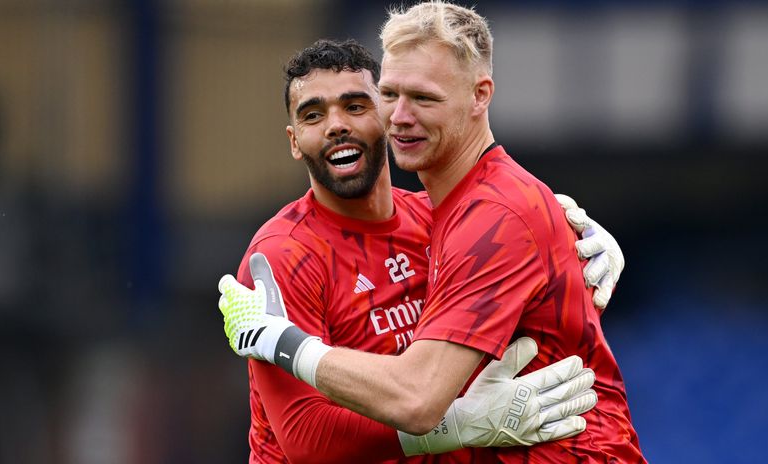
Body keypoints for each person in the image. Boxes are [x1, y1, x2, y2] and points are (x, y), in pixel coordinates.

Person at [223, 29, 631, 463]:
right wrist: (451, 424)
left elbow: (534, 304)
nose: (336, 125)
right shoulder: (283, 255)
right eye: (312, 115)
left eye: (355, 106)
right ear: (293, 141)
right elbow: (306, 439)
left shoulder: (443, 221)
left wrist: (571, 237)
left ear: (388, 116)